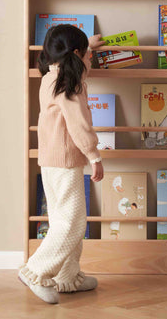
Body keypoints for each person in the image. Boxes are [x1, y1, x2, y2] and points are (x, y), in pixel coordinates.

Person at [18, 24, 105, 304]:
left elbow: (74, 64)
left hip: (50, 160)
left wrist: (85, 47)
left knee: (61, 219)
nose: (89, 61)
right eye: (87, 56)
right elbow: (79, 124)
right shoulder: (70, 82)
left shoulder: (50, 76)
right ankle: (36, 271)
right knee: (73, 222)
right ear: (77, 55)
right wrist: (95, 156)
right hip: (67, 160)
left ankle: (67, 277)